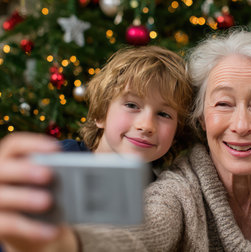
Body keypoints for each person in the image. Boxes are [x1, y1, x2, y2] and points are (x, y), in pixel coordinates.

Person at [0, 45, 193, 252]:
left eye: (164, 114)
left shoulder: (160, 197)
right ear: (100, 114)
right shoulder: (56, 161)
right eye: (131, 105)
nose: (146, 125)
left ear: (175, 133)